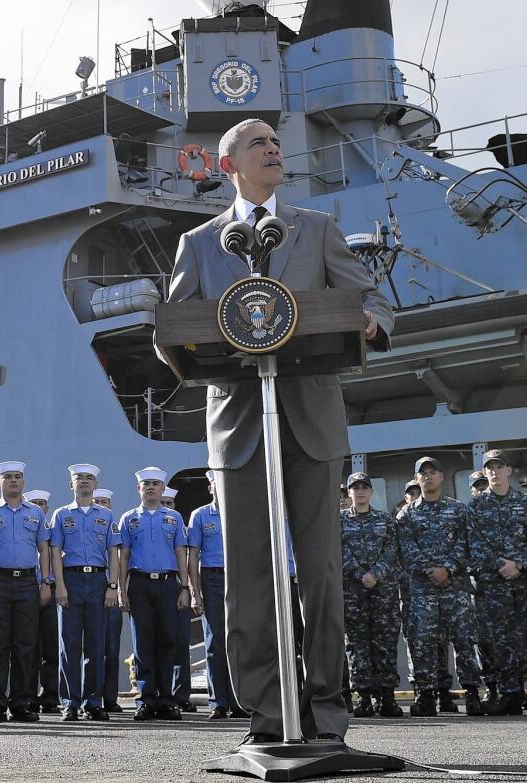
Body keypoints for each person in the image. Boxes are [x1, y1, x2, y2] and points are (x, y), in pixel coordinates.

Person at [167, 116, 393, 745]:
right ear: (227, 163)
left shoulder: (317, 230)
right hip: (239, 424)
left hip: (312, 419)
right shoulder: (200, 242)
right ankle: (267, 718)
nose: (274, 149)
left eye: (276, 142)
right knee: (249, 578)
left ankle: (326, 717)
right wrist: (191, 345)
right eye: (258, 143)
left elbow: (369, 297)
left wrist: (370, 323)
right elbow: (177, 324)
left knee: (320, 574)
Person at [468, 450, 527, 716]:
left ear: (509, 470)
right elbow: (474, 544)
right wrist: (501, 565)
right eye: (490, 468)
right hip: (494, 584)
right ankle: (511, 694)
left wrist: (518, 564)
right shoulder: (475, 507)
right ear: (485, 473)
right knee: (503, 640)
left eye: (499, 467)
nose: (495, 472)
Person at [395, 456, 485, 718]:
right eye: (423, 474)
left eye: (433, 472)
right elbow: (406, 549)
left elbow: (467, 544)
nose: (429, 477)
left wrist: (448, 568)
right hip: (422, 591)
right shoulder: (407, 514)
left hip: (455, 588)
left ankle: (471, 694)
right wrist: (431, 570)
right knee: (423, 643)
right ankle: (426, 695)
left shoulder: (459, 510)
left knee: (464, 641)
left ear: (442, 476)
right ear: (417, 479)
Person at [0, 462, 52, 723]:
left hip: (28, 583)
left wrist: (45, 583)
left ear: (24, 482)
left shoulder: (36, 514)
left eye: (18, 477)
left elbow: (44, 550)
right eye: (8, 477)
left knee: (25, 646)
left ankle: (20, 703)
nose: (14, 481)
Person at [114, 467, 191, 721]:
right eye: (146, 484)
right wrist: (121, 590)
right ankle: (145, 700)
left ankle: (167, 700)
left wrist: (184, 587)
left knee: (168, 641)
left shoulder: (174, 518)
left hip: (168, 583)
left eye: (155, 484)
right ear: (138, 489)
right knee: (142, 642)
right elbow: (123, 555)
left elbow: (181, 553)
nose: (150, 488)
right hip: (139, 584)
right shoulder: (128, 518)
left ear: (162, 489)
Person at [46, 464, 119, 721]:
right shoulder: (61, 515)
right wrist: (60, 585)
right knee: (70, 645)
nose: (85, 482)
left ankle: (93, 702)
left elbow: (113, 552)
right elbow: (55, 551)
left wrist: (113, 585)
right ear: (71, 485)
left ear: (96, 485)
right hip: (72, 579)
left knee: (96, 646)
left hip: (98, 581)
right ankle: (70, 702)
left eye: (89, 478)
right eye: (80, 478)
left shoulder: (107, 516)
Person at [186, 470, 250, 720]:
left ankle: (239, 700)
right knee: (214, 642)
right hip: (212, 578)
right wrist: (195, 592)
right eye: (215, 484)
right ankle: (218, 701)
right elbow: (193, 556)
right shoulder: (200, 515)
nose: (220, 488)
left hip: (239, 578)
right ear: (210, 488)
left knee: (240, 640)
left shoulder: (241, 513)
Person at [341, 473, 402, 718]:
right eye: (356, 488)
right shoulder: (340, 521)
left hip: (382, 590)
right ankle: (363, 696)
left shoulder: (385, 520)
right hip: (352, 591)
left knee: (385, 642)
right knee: (357, 644)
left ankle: (386, 696)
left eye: (365, 487)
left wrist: (375, 574)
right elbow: (338, 550)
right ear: (349, 493)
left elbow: (392, 550)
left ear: (372, 492)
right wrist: (359, 574)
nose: (361, 491)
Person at [25, 488, 61, 714]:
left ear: (47, 507)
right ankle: (27, 695)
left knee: (51, 646)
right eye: (34, 502)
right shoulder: (22, 526)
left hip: (51, 589)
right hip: (27, 587)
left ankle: (50, 694)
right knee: (27, 645)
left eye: (42, 503)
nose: (38, 506)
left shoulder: (54, 530)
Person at [162, 486, 195, 712]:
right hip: (154, 585)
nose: (165, 508)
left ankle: (181, 693)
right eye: (162, 503)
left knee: (181, 642)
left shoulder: (179, 527)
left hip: (175, 585)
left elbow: (188, 558)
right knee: (160, 641)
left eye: (169, 504)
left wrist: (188, 588)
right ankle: (161, 693)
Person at [93, 487, 126, 712]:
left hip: (111, 592)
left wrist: (117, 589)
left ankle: (110, 698)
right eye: (98, 501)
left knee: (111, 649)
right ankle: (91, 696)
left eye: (105, 501)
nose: (102, 505)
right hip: (90, 591)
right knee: (91, 648)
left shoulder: (113, 528)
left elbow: (122, 562)